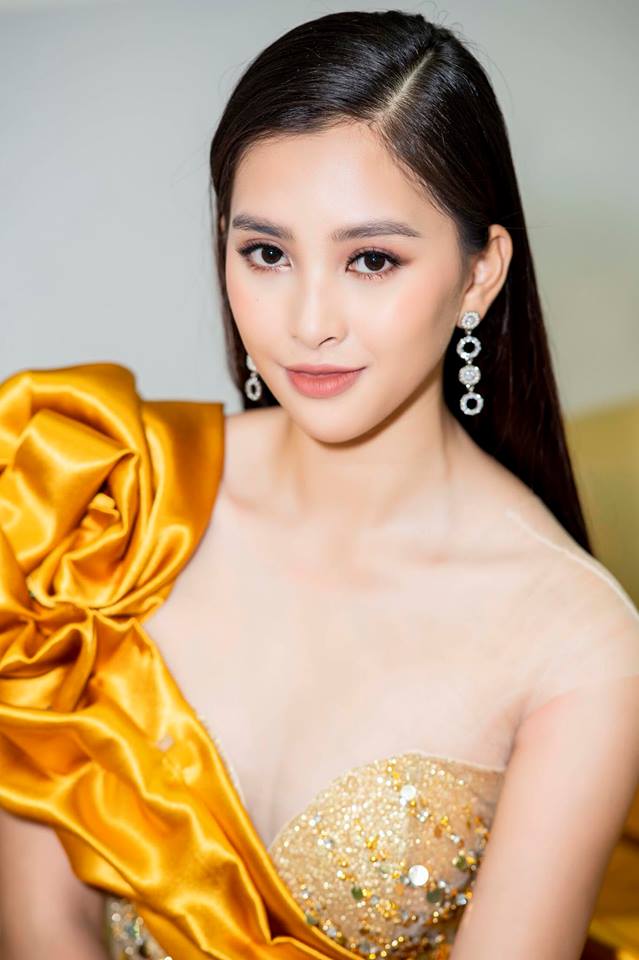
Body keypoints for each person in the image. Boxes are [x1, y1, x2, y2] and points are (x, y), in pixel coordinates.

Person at [0, 9, 638, 960]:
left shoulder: (579, 646)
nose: (307, 322)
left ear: (478, 274)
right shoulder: (98, 492)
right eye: (266, 252)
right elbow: (39, 924)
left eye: (370, 260)